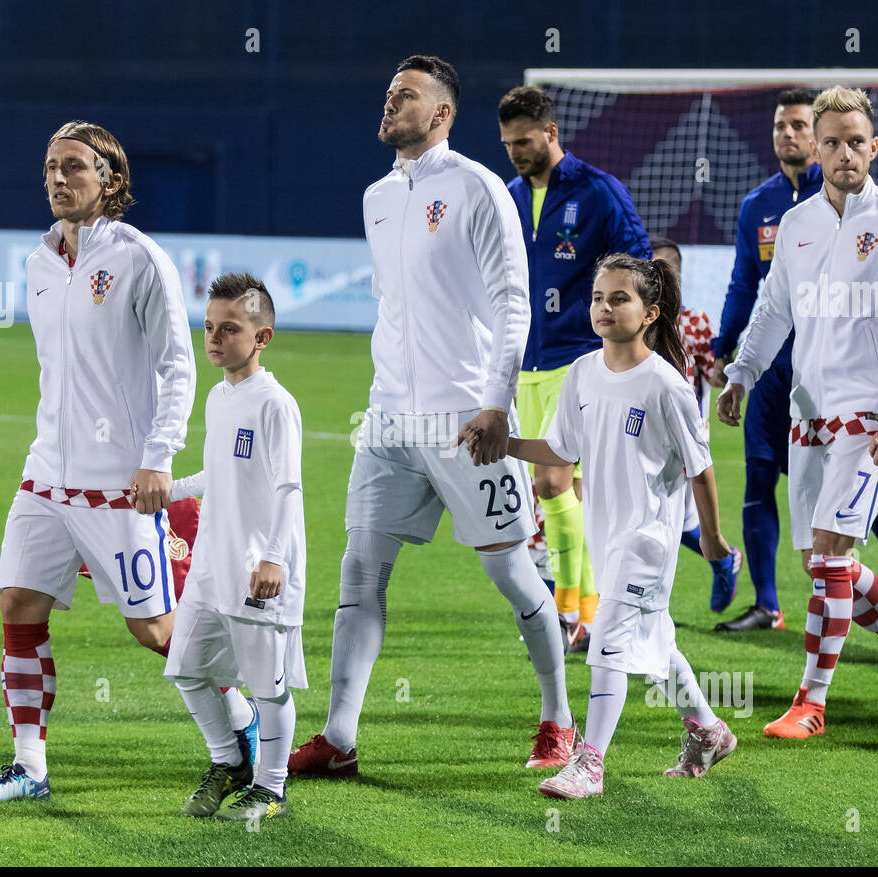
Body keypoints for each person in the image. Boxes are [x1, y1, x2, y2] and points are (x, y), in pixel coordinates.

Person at [289, 55, 575, 777]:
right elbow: (395, 306)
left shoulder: (478, 189)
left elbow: (513, 302)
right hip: (389, 420)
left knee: (512, 576)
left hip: (466, 420)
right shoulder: (377, 197)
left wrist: (495, 405)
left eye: (407, 95)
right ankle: (339, 739)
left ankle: (557, 718)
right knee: (359, 574)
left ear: (442, 114)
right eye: (388, 93)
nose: (390, 104)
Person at [0, 121, 199, 803]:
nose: (58, 179)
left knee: (153, 629)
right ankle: (29, 767)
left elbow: (178, 367)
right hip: (46, 475)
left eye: (74, 168)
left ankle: (246, 721)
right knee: (18, 603)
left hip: (119, 480)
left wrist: (158, 457)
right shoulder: (37, 261)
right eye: (50, 168)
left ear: (111, 180)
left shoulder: (139, 259)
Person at [466, 253, 737, 797]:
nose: (605, 307)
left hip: (647, 542)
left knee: (608, 641)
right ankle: (710, 729)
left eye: (620, 298)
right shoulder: (585, 372)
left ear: (651, 312)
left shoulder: (667, 386)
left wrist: (709, 535)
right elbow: (562, 449)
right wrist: (507, 443)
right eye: (597, 298)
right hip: (606, 538)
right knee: (655, 643)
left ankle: (590, 764)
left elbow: (700, 468)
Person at [717, 86, 878, 738]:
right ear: (816, 147)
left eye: (855, 141)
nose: (844, 153)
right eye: (832, 142)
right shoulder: (797, 225)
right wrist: (742, 374)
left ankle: (811, 703)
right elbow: (775, 307)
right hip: (807, 413)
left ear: (875, 145)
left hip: (868, 417)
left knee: (834, 555)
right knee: (823, 564)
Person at [498, 85, 654, 651]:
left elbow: (639, 261)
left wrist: (627, 338)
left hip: (579, 359)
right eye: (508, 144)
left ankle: (567, 613)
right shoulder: (509, 196)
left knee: (552, 480)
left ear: (551, 132)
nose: (516, 152)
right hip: (528, 363)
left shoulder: (597, 191)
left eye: (525, 141)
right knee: (563, 493)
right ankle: (587, 613)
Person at [164, 274, 307, 820]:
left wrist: (273, 556)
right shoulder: (219, 397)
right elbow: (218, 473)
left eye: (229, 329)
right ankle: (229, 763)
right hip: (210, 566)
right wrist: (168, 492)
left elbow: (287, 487)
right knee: (186, 669)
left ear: (262, 337)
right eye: (208, 328)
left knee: (268, 689)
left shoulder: (275, 404)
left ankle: (272, 787)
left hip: (257, 570)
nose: (214, 340)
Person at [650, 236, 743, 609]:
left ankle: (721, 559)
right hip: (643, 435)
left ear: (677, 275)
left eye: (663, 269)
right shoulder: (636, 319)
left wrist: (730, 366)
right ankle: (722, 558)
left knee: (673, 524)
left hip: (686, 442)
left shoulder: (695, 323)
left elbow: (714, 376)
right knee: (670, 523)